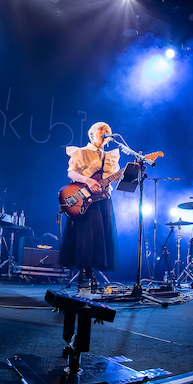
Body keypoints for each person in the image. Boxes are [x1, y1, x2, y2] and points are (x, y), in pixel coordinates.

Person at [59, 122, 121, 290]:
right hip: (83, 198)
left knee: (100, 235)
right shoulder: (81, 152)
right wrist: (88, 180)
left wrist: (130, 171)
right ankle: (84, 273)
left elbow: (114, 178)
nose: (105, 132)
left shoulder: (110, 157)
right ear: (92, 133)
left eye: (108, 130)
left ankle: (91, 272)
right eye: (102, 129)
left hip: (102, 198)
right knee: (87, 235)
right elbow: (71, 172)